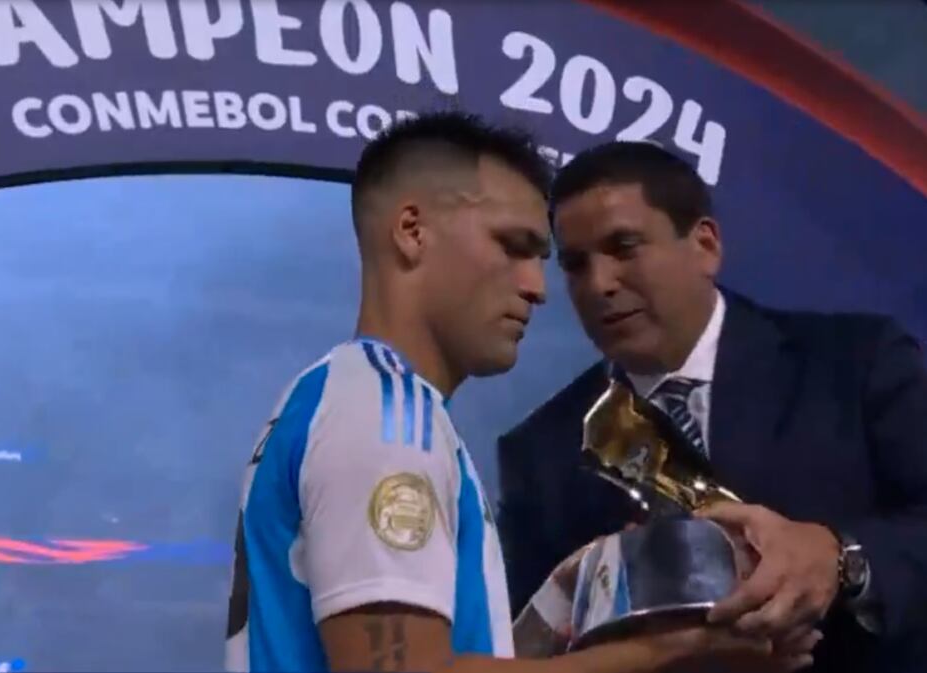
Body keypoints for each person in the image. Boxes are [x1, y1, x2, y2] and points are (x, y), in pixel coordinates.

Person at [223, 113, 804, 673]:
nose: (536, 288)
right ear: (412, 231)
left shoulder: (336, 396)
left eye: (541, 260)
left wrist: (568, 596)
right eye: (512, 247)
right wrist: (670, 653)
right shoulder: (387, 418)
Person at [496, 141, 927, 673]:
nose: (599, 284)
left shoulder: (853, 360)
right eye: (576, 264)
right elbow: (533, 649)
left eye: (624, 247)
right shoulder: (543, 452)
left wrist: (838, 560)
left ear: (705, 244)